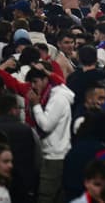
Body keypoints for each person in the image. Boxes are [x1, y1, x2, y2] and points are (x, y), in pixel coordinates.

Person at [26, 67, 76, 203]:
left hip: (54, 156)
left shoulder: (57, 98)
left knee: (45, 197)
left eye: (35, 82)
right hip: (55, 152)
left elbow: (46, 125)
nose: (33, 86)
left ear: (45, 80)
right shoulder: (52, 94)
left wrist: (35, 105)